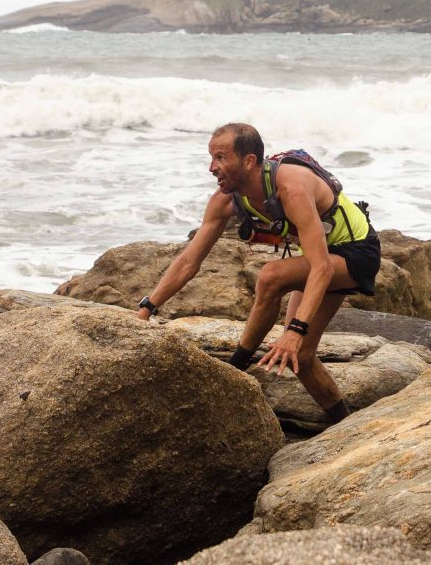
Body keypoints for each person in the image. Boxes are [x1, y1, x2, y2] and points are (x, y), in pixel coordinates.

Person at [136, 123, 380, 424]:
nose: (212, 167)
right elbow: (189, 261)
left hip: (357, 252)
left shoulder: (291, 189)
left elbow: (322, 267)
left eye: (221, 158)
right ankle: (345, 426)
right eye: (212, 158)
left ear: (249, 161)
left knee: (271, 276)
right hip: (323, 257)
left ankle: (236, 367)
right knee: (301, 358)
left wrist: (294, 330)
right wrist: (148, 307)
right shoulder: (226, 200)